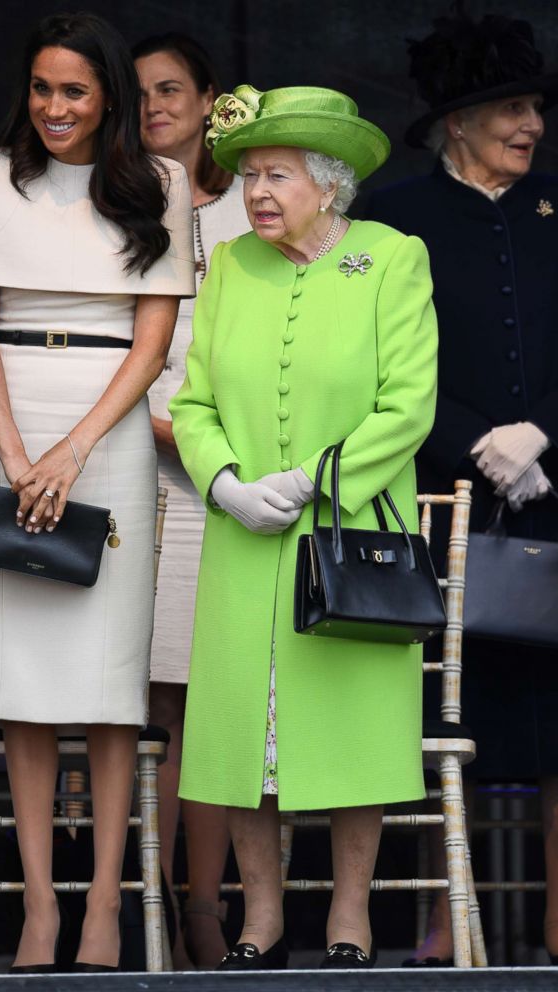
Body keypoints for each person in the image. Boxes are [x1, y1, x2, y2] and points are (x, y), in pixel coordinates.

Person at [0, 12, 193, 973]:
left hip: (108, 431)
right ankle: (41, 907)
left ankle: (102, 909)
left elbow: (153, 343)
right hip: (3, 424)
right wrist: (18, 460)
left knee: (106, 678)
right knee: (22, 679)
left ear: (109, 101)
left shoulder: (159, 183)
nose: (54, 107)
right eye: (43, 88)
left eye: (75, 91)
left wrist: (75, 452)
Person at [169, 84, 438, 970]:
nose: (257, 193)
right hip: (246, 542)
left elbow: (408, 406)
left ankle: (351, 916)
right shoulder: (233, 267)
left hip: (350, 534)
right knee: (249, 733)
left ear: (327, 183)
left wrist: (317, 481)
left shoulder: (391, 258)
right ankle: (263, 916)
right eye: (248, 176)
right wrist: (226, 483)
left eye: (277, 175)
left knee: (352, 729)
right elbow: (194, 399)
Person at [366, 11, 558, 967]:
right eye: (511, 107)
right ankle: (450, 921)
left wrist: (542, 433)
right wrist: (476, 442)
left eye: (534, 107)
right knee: (452, 717)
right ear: (457, 120)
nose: (531, 123)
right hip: (447, 499)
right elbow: (375, 362)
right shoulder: (394, 217)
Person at [132, 33, 249, 969]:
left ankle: (209, 909)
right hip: (152, 472)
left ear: (212, 99)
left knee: (223, 700)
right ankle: (155, 906)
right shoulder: (121, 209)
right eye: (136, 95)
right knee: (163, 698)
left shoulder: (258, 205)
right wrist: (182, 438)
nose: (153, 107)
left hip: (245, 487)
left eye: (171, 89)